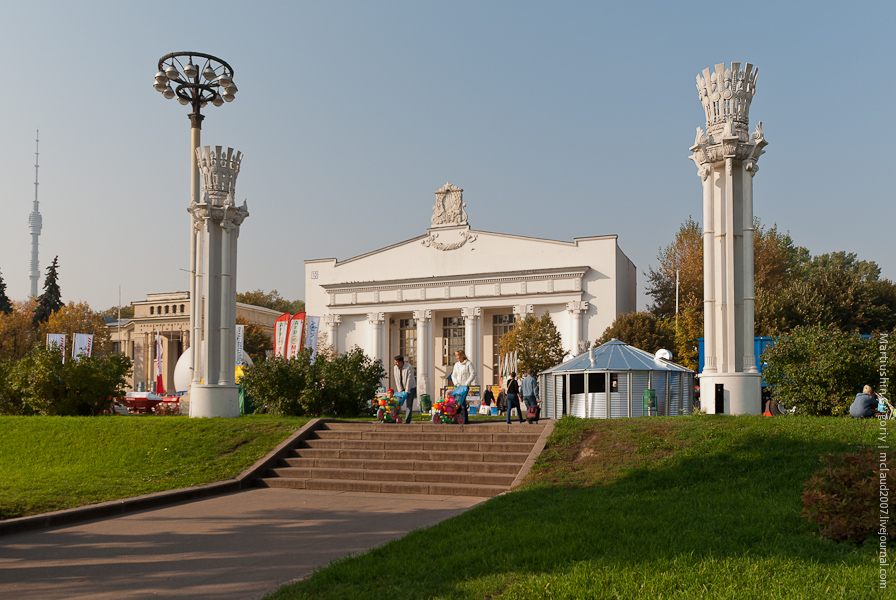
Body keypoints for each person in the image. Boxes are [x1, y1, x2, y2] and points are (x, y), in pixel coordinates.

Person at [451, 350, 475, 421]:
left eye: (458, 356)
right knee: (458, 402)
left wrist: (467, 383)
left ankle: (463, 419)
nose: (457, 357)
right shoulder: (456, 365)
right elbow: (453, 375)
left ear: (462, 356)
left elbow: (472, 374)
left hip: (465, 386)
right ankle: (459, 418)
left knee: (462, 402)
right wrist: (456, 383)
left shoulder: (468, 364)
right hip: (458, 386)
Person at [393, 355, 417, 424]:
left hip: (411, 387)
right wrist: (400, 390)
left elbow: (410, 379)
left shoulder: (409, 367)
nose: (396, 364)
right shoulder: (395, 368)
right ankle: (393, 418)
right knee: (398, 404)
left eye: (397, 362)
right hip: (401, 388)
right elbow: (397, 379)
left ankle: (407, 421)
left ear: (401, 362)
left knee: (409, 405)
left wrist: (407, 391)